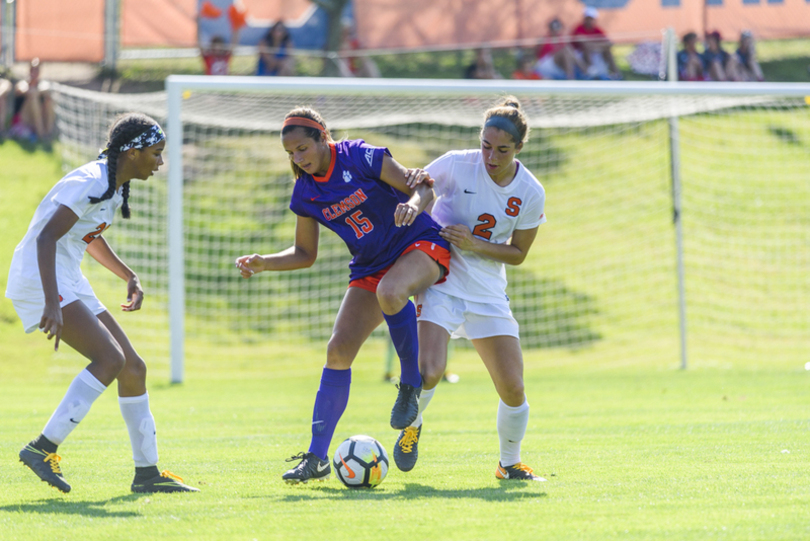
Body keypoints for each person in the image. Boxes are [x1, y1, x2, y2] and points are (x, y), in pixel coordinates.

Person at [234, 107, 451, 484]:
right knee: (337, 350)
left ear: (323, 137)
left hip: (418, 243)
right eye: (291, 154)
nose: (298, 158)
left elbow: (423, 187)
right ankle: (316, 459)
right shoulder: (305, 192)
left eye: (303, 148)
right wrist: (264, 262)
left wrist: (412, 206)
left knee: (391, 290)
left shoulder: (358, 155)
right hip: (370, 265)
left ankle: (409, 382)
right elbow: (305, 254)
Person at [5, 113, 198, 494]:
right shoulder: (92, 180)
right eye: (156, 153)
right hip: (40, 274)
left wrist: (128, 275)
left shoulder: (112, 185)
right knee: (110, 360)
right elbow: (45, 239)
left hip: (66, 275)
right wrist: (52, 303)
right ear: (132, 152)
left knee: (133, 368)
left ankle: (147, 474)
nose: (161, 162)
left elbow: (87, 237)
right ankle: (41, 448)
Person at [393, 96, 547, 482]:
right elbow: (423, 188)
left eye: (502, 150)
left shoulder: (530, 191)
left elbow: (518, 253)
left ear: (519, 149)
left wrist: (475, 244)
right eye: (485, 145)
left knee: (513, 388)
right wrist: (414, 205)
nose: (491, 157)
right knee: (429, 372)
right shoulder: (457, 164)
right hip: (441, 281)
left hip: (487, 291)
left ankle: (509, 463)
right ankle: (413, 428)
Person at [9, 58, 55, 142]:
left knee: (49, 101)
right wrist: (32, 90)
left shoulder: (42, 85)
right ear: (29, 70)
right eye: (32, 69)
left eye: (36, 70)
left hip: (38, 116)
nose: (34, 72)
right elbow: (21, 90)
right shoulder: (23, 84)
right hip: (24, 119)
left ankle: (48, 132)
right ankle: (41, 134)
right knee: (32, 97)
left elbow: (46, 90)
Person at [571, 7, 620, 80]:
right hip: (579, 54)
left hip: (594, 51)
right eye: (587, 18)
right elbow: (583, 44)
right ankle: (592, 72)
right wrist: (599, 45)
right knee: (587, 48)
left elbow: (609, 43)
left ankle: (616, 74)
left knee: (607, 51)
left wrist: (595, 45)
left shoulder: (597, 30)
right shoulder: (579, 28)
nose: (589, 21)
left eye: (591, 19)